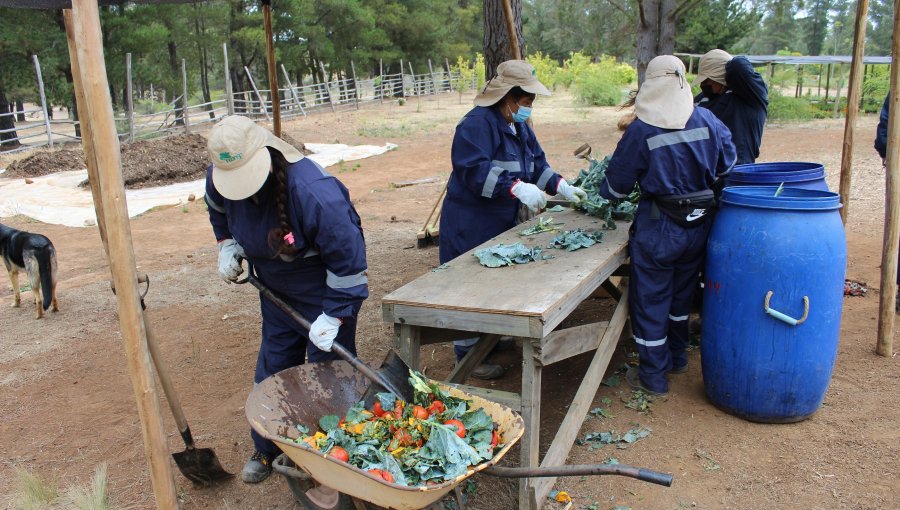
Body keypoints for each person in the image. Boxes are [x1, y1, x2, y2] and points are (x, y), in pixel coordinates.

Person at [205, 116, 368, 483]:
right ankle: (268, 449)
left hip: (323, 294)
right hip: (276, 292)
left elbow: (350, 264)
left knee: (329, 378)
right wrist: (226, 244)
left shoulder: (313, 193)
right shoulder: (221, 172)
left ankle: (334, 457)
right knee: (274, 369)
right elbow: (216, 208)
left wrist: (335, 316)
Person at [598, 55, 737, 397]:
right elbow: (728, 166)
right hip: (700, 225)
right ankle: (677, 358)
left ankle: (653, 378)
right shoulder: (708, 119)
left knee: (651, 301)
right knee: (681, 295)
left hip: (659, 230)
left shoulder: (641, 130)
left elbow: (614, 189)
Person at [439, 60, 587, 380]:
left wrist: (561, 186)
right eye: (527, 101)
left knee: (496, 281)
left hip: (499, 218)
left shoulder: (518, 126)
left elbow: (536, 164)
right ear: (508, 97)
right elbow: (474, 171)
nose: (529, 107)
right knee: (469, 285)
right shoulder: (476, 124)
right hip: (471, 219)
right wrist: (516, 187)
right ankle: (468, 356)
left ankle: (491, 338)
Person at [693, 49, 768, 166]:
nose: (704, 85)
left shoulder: (749, 97)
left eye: (709, 80)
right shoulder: (701, 99)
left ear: (721, 77)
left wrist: (726, 67)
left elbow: (738, 66)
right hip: (708, 172)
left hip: (739, 172)